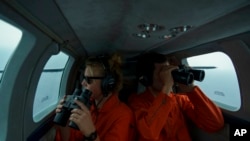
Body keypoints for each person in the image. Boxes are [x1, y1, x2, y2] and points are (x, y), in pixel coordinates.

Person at [128, 52, 224, 141]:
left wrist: (191, 90)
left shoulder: (179, 100)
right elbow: (149, 133)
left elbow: (215, 124)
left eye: (168, 71)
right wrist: (167, 86)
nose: (168, 76)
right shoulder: (137, 103)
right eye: (162, 73)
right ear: (147, 79)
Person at [54, 53, 135, 141]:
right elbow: (70, 139)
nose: (83, 83)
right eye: (83, 78)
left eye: (89, 80)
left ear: (107, 84)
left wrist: (91, 134)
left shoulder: (124, 115)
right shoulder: (86, 105)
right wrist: (64, 123)